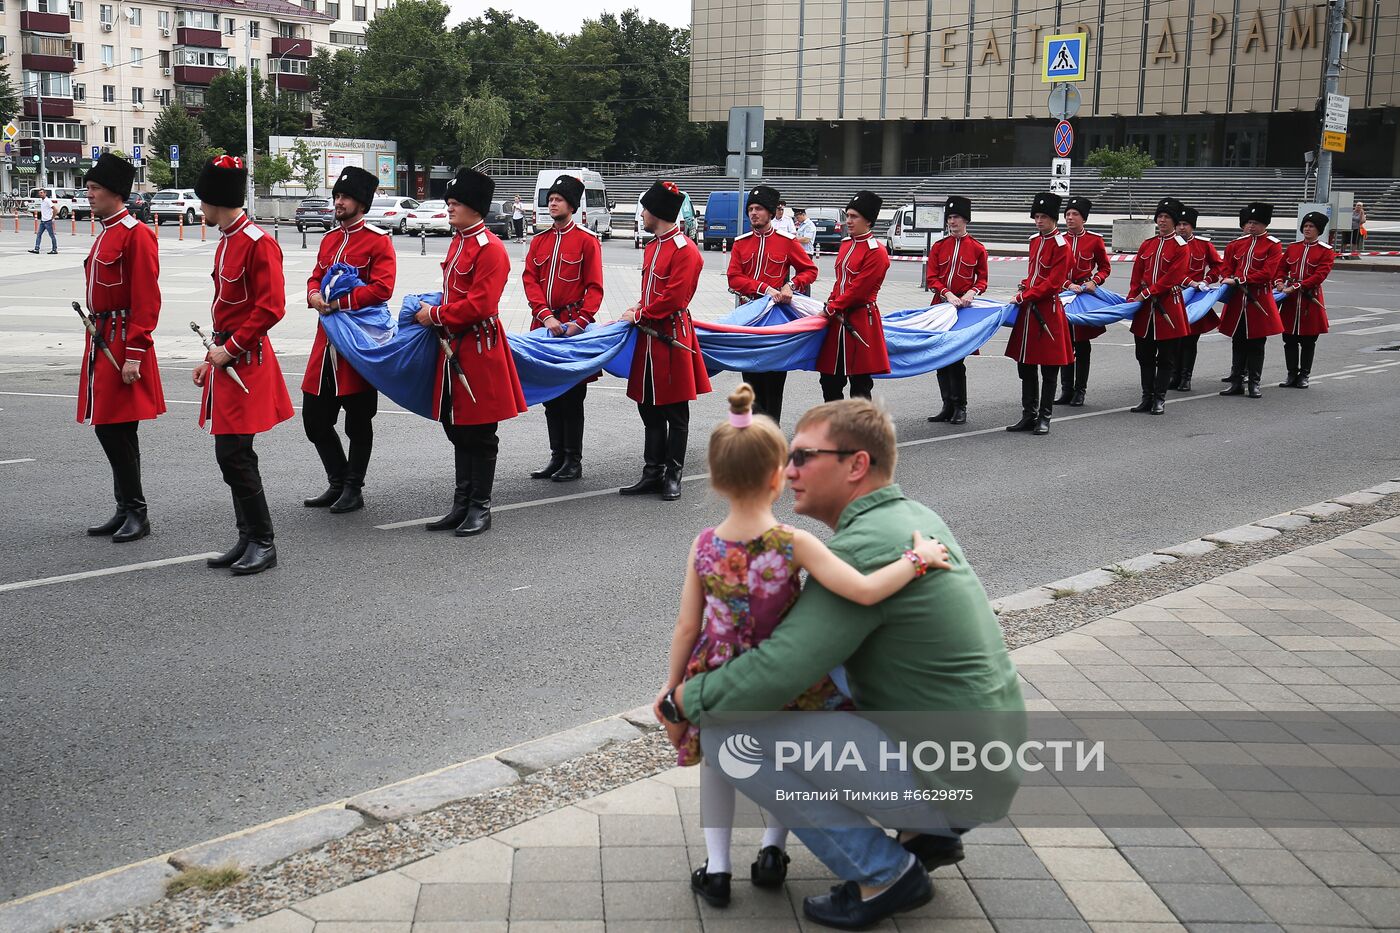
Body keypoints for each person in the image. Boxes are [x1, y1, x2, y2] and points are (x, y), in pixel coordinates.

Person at [662, 398, 1025, 931]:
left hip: (952, 777)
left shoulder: (864, 549)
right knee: (816, 681)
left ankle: (884, 872)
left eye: (804, 456)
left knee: (726, 734)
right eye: (787, 458)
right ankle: (929, 835)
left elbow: (774, 673)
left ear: (856, 465)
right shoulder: (913, 518)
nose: (788, 470)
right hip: (982, 761)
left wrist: (680, 702)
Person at [192, 156, 295, 576]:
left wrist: (229, 349)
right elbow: (225, 310)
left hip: (245, 362)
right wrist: (210, 358)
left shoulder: (256, 242)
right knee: (231, 454)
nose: (200, 209)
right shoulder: (227, 239)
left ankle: (263, 540)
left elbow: (271, 308)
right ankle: (246, 536)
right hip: (228, 359)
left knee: (234, 454)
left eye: (204, 201)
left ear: (218, 200)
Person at [416, 167, 528, 536]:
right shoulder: (460, 240)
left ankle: (480, 506)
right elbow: (454, 294)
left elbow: (479, 305)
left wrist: (433, 314)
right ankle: (461, 503)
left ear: (475, 208)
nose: (449, 207)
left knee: (479, 432)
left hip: (478, 348)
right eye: (450, 201)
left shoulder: (490, 248)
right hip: (454, 346)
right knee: (456, 427)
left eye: (457, 202)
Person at [78, 154, 166, 543]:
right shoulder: (105, 230)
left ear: (115, 192)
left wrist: (135, 352)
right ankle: (125, 507)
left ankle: (137, 510)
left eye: (95, 188)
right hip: (100, 335)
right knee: (110, 427)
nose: (89, 194)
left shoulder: (136, 233)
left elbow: (147, 299)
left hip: (122, 336)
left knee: (116, 428)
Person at [301, 166, 396, 514]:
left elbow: (383, 288)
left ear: (361, 202)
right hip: (324, 345)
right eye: (337, 196)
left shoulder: (378, 241)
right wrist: (313, 295)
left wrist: (339, 303)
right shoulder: (328, 239)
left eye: (344, 197)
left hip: (358, 345)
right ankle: (338, 480)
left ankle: (354, 487)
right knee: (314, 421)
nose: (338, 203)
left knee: (358, 421)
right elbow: (315, 277)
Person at [618, 180, 710, 501]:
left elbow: (674, 298)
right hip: (649, 336)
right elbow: (652, 293)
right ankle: (651, 471)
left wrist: (640, 315)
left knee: (675, 410)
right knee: (648, 406)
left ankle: (674, 474)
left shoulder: (686, 251)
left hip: (671, 334)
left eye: (644, 208)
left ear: (656, 212)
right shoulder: (652, 246)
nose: (641, 214)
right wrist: (638, 306)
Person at [522, 174, 604, 482]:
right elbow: (530, 279)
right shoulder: (540, 240)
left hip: (572, 330)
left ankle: (573, 459)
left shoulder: (587, 242)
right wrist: (545, 316)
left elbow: (595, 288)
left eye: (558, 199)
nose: (552, 203)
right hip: (544, 327)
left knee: (572, 396)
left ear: (571, 205)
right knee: (550, 396)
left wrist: (579, 323)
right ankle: (556, 456)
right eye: (550, 199)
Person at [728, 184, 818, 425]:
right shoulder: (741, 243)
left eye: (758, 209)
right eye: (750, 209)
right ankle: (755, 434)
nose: (753, 213)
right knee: (750, 379)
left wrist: (792, 285)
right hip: (748, 317)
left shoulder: (786, 241)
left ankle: (771, 431)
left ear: (770, 213)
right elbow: (733, 277)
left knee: (774, 380)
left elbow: (810, 270)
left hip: (776, 320)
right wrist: (764, 288)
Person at [1007, 192, 1072, 436]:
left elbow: (1054, 283)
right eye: (1036, 217)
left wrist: (1026, 295)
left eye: (1043, 217)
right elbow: (1034, 273)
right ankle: (1028, 414)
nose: (1039, 221)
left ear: (1054, 219)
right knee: (1026, 365)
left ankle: (1044, 417)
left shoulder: (1061, 245)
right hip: (1030, 310)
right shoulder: (1035, 240)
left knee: (1049, 368)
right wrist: (1025, 285)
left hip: (1047, 310)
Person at [818, 191, 891, 402]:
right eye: (847, 215)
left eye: (854, 216)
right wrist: (831, 302)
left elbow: (860, 290)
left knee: (860, 384)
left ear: (868, 221)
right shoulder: (846, 245)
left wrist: (833, 307)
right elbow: (840, 282)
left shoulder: (876, 251)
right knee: (830, 380)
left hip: (860, 321)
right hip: (837, 321)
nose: (848, 221)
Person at [924, 195, 987, 424]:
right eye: (950, 217)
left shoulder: (977, 248)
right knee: (941, 357)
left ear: (965, 220)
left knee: (957, 359)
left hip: (963, 310)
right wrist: (947, 294)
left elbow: (982, 280)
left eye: (957, 217)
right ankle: (947, 405)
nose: (952, 222)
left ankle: (961, 406)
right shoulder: (939, 246)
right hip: (941, 307)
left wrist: (971, 293)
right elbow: (932, 278)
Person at [1126, 198, 1191, 416]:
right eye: (1160, 217)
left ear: (1174, 221)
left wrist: (1146, 293)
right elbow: (1137, 274)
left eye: (1167, 217)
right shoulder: (1148, 244)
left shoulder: (1181, 246)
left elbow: (1173, 277)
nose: (1162, 221)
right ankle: (1147, 396)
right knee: (1143, 355)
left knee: (1165, 357)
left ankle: (1159, 398)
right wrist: (1132, 296)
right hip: (1145, 310)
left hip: (1168, 308)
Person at [1218, 202, 1284, 399]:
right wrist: (1228, 277)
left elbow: (1268, 272)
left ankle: (1254, 383)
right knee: (1238, 341)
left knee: (1256, 343)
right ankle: (1236, 381)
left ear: (1264, 224)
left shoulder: (1273, 245)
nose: (1251, 226)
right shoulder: (1237, 244)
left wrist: (1240, 279)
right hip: (1239, 300)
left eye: (1256, 222)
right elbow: (1226, 266)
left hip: (1258, 299)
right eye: (1249, 222)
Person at [1057, 196, 1110, 408]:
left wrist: (1095, 281)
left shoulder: (1094, 240)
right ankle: (1066, 390)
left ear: (1083, 218)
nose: (1070, 218)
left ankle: (1080, 391)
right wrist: (1067, 284)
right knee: (1065, 344)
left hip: (1085, 297)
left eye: (1074, 214)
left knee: (1082, 345)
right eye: (1067, 214)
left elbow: (1105, 267)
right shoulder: (1059, 239)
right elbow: (1052, 270)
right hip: (1063, 294)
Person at [1276, 211, 1335, 389]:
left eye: (1312, 227)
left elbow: (1319, 275)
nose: (1307, 229)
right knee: (1289, 339)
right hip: (1291, 301)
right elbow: (1281, 268)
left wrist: (1296, 287)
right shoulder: (1293, 248)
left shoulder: (1326, 251)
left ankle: (1304, 375)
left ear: (1319, 230)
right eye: (1306, 226)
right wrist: (1279, 282)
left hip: (1310, 300)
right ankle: (1291, 374)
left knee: (1308, 341)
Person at [1171, 206, 1223, 392]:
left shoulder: (1203, 245)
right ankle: (1174, 375)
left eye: (1185, 224)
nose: (1181, 228)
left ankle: (1186, 377)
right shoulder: (1170, 243)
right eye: (1178, 224)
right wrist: (1189, 282)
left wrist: (1206, 280)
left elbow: (1218, 266)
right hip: (1174, 295)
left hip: (1196, 298)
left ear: (1192, 226)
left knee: (1190, 340)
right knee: (1174, 339)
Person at [30, 188, 58, 254]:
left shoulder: (47, 201)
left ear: (45, 193)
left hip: (48, 221)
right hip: (43, 221)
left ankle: (54, 249)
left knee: (52, 235)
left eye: (42, 193)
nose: (40, 194)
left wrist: (52, 217)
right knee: (39, 234)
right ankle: (36, 249)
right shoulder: (42, 201)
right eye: (40, 193)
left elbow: (55, 209)